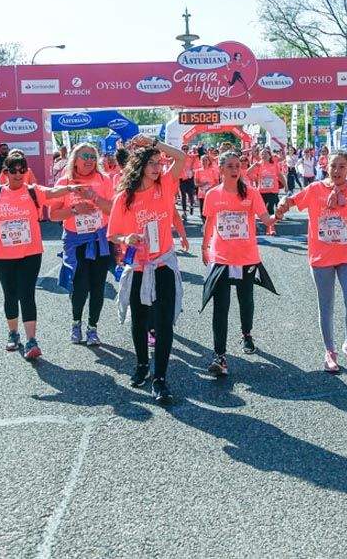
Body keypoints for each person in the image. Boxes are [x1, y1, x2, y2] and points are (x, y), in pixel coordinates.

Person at [276, 153, 347, 373]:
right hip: (321, 257)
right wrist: (281, 205)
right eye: (333, 166)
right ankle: (330, 351)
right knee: (326, 306)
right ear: (327, 168)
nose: (337, 171)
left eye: (342, 167)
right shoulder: (315, 189)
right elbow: (292, 201)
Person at [0, 150, 81, 361]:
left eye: (22, 170)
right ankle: (13, 333)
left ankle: (32, 340)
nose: (18, 174)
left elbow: (53, 192)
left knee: (27, 293)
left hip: (30, 253)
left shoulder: (33, 191)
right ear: (5, 172)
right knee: (10, 293)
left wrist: (72, 188)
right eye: (13, 170)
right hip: (3, 254)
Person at [107, 136, 187, 405]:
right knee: (139, 321)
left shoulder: (164, 185)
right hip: (138, 267)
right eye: (151, 163)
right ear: (138, 167)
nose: (157, 167)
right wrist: (126, 239)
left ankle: (160, 378)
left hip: (163, 264)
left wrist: (154, 143)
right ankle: (142, 364)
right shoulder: (124, 198)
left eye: (158, 162)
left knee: (164, 323)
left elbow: (181, 157)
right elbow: (113, 233)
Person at [202, 151, 277, 376]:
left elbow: (265, 219)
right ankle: (220, 355)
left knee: (246, 300)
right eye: (230, 166)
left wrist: (276, 216)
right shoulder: (212, 195)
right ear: (221, 169)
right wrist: (204, 247)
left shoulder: (251, 193)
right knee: (220, 306)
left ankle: (246, 334)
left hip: (246, 256)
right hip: (221, 257)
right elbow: (209, 223)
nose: (235, 170)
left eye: (238, 166)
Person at [51, 143, 115, 347]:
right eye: (84, 156)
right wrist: (75, 210)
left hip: (100, 240)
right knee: (79, 286)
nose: (89, 160)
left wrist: (93, 197)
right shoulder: (64, 181)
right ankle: (76, 322)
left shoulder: (104, 180)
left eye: (92, 157)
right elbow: (53, 214)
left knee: (97, 287)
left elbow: (113, 210)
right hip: (75, 241)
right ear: (74, 160)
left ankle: (93, 327)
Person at [250, 147, 285, 228]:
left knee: (270, 208)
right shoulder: (258, 165)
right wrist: (253, 166)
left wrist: (285, 185)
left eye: (266, 153)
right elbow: (248, 173)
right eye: (262, 153)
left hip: (272, 191)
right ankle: (266, 224)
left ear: (270, 156)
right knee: (262, 209)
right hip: (261, 191)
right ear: (260, 155)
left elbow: (279, 175)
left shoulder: (274, 164)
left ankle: (271, 228)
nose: (264, 155)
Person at [194, 153, 220, 222]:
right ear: (200, 161)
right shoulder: (198, 171)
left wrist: (209, 188)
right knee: (203, 211)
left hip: (211, 194)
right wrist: (203, 184)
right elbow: (196, 184)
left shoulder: (213, 170)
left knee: (212, 210)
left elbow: (217, 183)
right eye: (203, 160)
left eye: (206, 160)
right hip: (202, 195)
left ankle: (212, 225)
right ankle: (204, 224)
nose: (204, 162)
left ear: (209, 162)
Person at [178, 145, 198, 220]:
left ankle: (191, 205)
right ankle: (184, 212)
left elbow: (197, 156)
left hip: (189, 178)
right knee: (183, 196)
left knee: (190, 194)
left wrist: (196, 150)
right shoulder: (179, 157)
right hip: (182, 178)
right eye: (183, 149)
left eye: (186, 149)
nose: (185, 150)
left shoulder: (191, 156)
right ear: (181, 149)